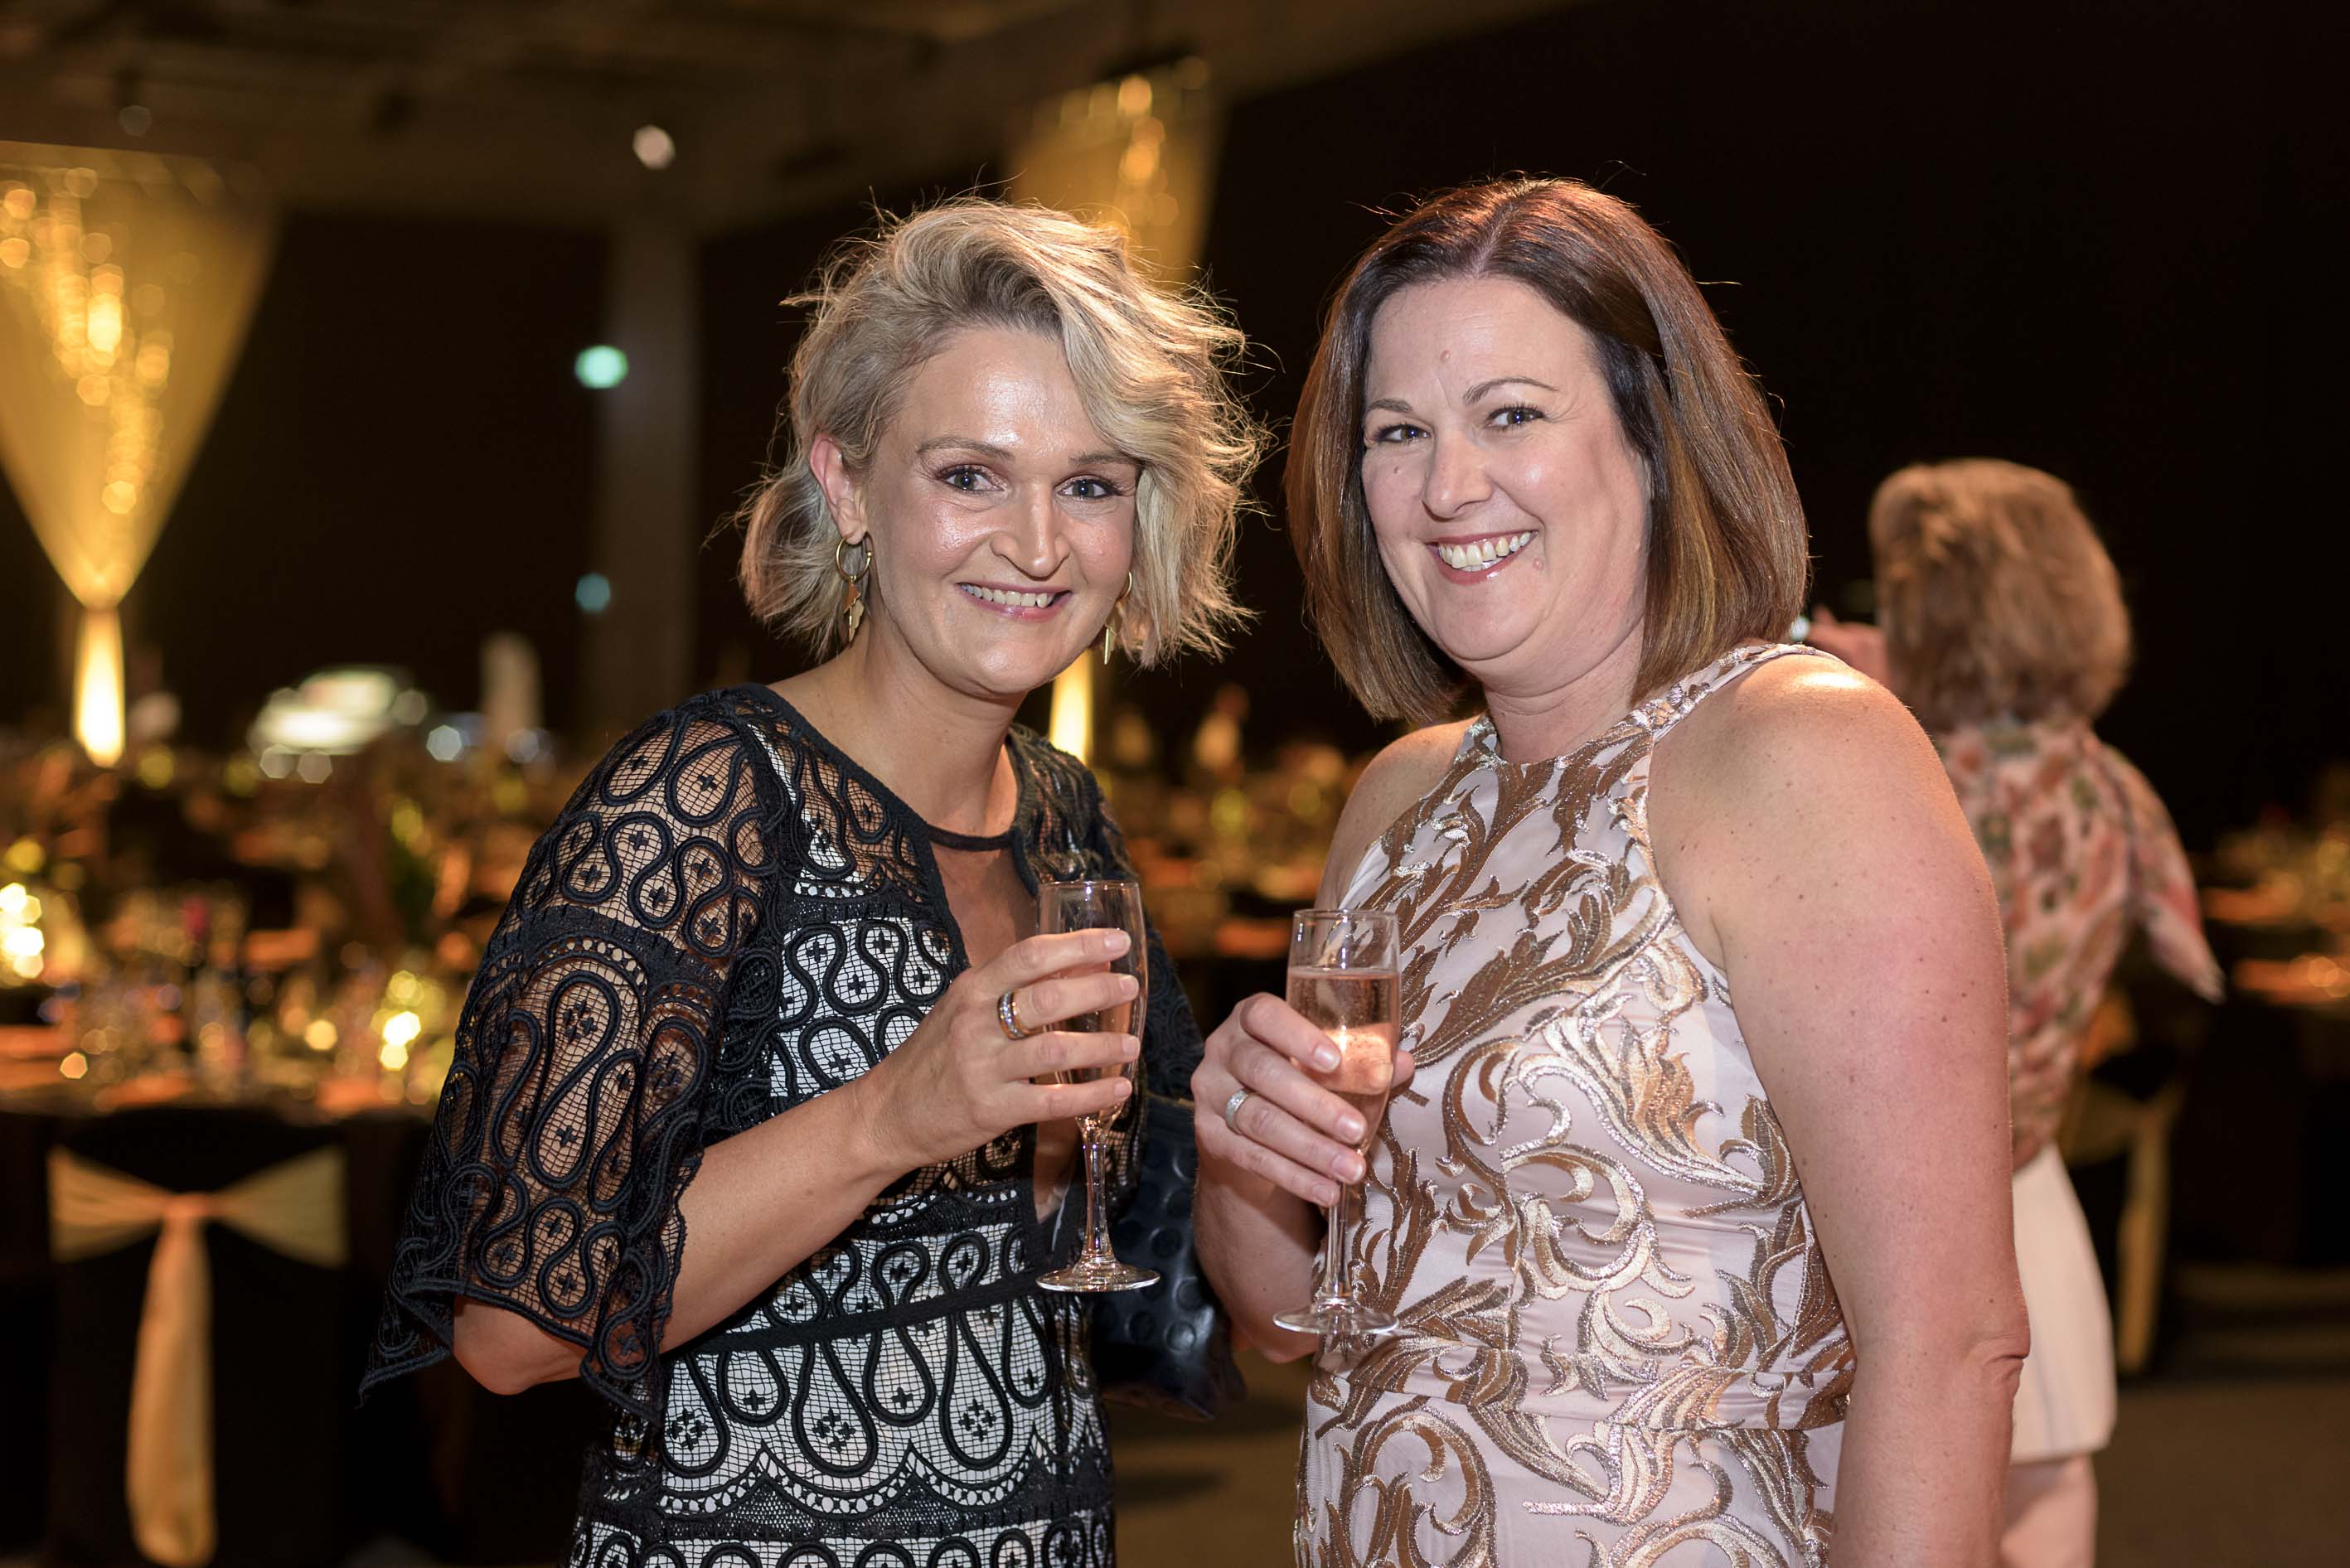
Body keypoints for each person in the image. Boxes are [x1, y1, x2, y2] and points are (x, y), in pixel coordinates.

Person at [365, 199, 1265, 1568]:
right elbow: (509, 1332)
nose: (1037, 544)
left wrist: (1256, 1129)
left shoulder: (1069, 822)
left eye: (1089, 484)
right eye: (970, 475)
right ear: (845, 485)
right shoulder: (700, 799)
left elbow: (1141, 1265)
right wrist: (892, 1114)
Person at [1191, 177, 2029, 1566]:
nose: (1449, 486)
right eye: (1399, 432)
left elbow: (1950, 1347)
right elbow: (1292, 1322)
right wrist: (1238, 1154)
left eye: (1511, 414)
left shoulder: (1798, 752)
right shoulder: (1398, 801)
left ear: (1653, 441)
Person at [1810, 458, 2222, 1568]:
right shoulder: (2110, 783)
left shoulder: (1899, 776)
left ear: (1937, 607)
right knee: (2045, 1493)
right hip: (2031, 1189)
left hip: (1897, 1219)